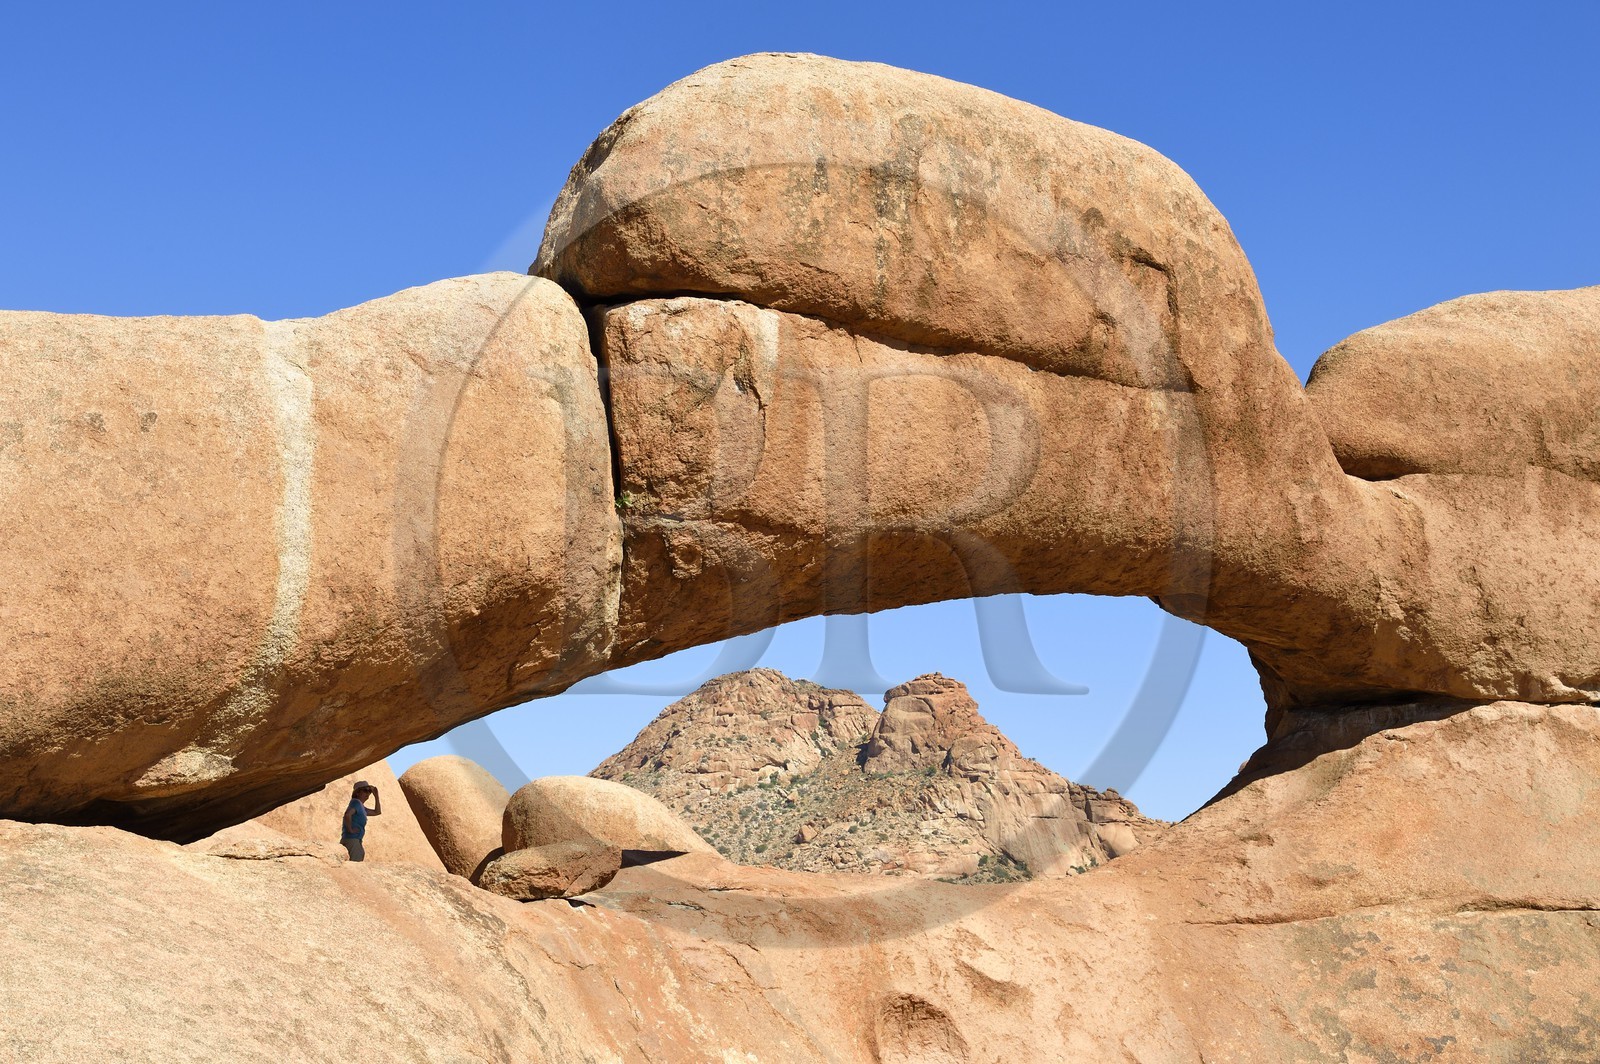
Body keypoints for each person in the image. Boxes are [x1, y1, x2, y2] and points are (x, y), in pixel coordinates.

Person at [340, 780, 381, 862]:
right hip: (352, 840)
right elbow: (347, 814)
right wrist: (350, 830)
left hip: (355, 840)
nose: (368, 793)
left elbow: (377, 812)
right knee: (355, 865)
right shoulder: (356, 802)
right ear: (357, 793)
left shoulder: (362, 807)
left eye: (369, 791)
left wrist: (376, 796)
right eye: (365, 790)